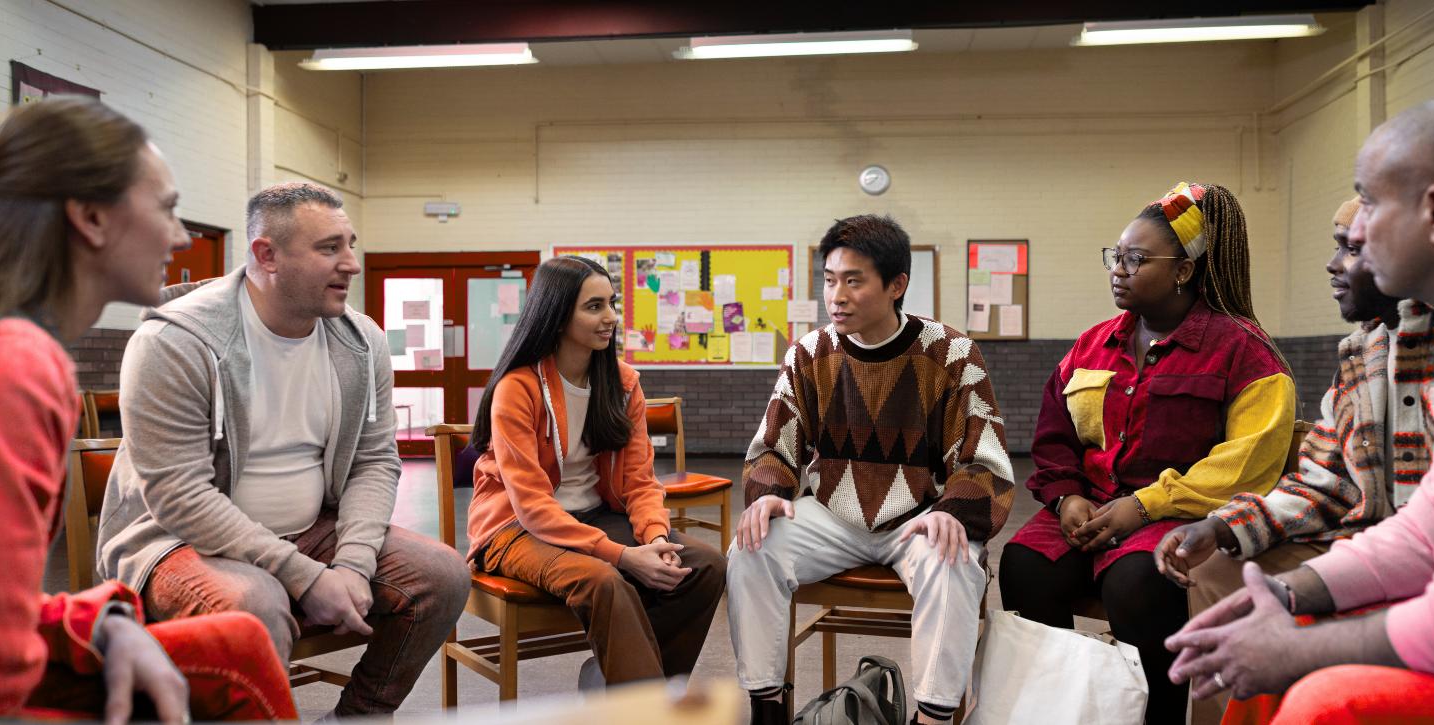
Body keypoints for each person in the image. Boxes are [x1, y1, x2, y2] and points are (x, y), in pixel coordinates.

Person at [1166, 93, 1434, 723]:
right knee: (1255, 631)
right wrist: (1287, 594)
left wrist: (1298, 649)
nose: (1354, 235)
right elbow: (1430, 526)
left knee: (1323, 700)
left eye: (1369, 203)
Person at [0, 98, 295, 721]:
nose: (181, 236)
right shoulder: (14, 363)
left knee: (237, 645)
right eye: (167, 209)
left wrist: (98, 623)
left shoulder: (4, 346)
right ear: (91, 218)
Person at [96, 181, 470, 716]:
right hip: (177, 539)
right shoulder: (175, 342)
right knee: (255, 605)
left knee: (442, 576)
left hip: (312, 528)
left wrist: (353, 564)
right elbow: (179, 495)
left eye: (350, 244)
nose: (351, 264)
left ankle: (360, 716)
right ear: (266, 255)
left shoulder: (362, 342)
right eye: (329, 248)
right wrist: (305, 577)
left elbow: (373, 461)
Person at [998, 182, 1296, 724]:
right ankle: (1058, 710)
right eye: (1115, 256)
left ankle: (1155, 715)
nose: (1118, 270)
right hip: (1089, 506)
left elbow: (1246, 464)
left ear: (1183, 270)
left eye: (1136, 259)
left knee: (1139, 583)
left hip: (1176, 516)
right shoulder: (1092, 345)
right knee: (1024, 565)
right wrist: (1066, 498)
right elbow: (1054, 434)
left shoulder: (1245, 353)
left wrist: (1143, 506)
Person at [1152, 196, 1434, 724]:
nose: (1333, 265)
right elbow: (1322, 482)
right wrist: (1221, 525)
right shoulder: (1361, 354)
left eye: (1351, 249)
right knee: (1217, 568)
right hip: (1364, 542)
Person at [727, 215, 1015, 725]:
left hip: (920, 517)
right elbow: (774, 444)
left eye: (853, 281)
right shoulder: (809, 353)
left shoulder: (952, 353)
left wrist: (953, 511)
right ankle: (766, 706)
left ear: (896, 285)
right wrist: (768, 491)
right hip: (830, 516)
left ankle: (932, 717)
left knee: (953, 560)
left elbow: (982, 457)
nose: (836, 296)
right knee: (751, 547)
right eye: (829, 280)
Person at [466, 254, 726, 686]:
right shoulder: (518, 388)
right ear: (556, 315)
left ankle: (615, 682)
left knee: (706, 566)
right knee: (604, 580)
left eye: (612, 303)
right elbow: (531, 505)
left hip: (593, 517)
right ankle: (644, 708)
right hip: (515, 530)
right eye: (594, 306)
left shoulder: (622, 384)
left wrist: (656, 540)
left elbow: (640, 481)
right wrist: (624, 556)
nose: (611, 317)